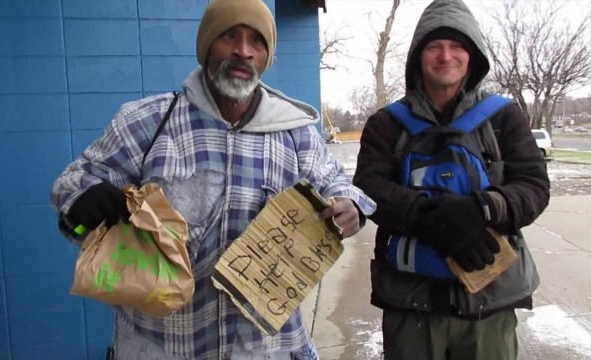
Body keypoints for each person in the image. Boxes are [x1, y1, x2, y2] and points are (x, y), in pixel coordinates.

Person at [51, 0, 375, 359]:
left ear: (267, 57)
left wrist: (351, 207)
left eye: (257, 42)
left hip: (266, 348)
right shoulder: (148, 122)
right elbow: (74, 184)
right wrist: (82, 199)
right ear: (206, 46)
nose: (243, 51)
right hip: (162, 344)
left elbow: (337, 185)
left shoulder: (295, 132)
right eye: (229, 36)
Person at [353, 0, 550, 359]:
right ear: (418, 56)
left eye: (457, 45)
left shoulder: (503, 117)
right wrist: (431, 216)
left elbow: (534, 186)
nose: (446, 55)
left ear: (472, 56)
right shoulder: (387, 123)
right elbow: (369, 187)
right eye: (434, 46)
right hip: (408, 306)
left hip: (488, 306)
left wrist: (482, 209)